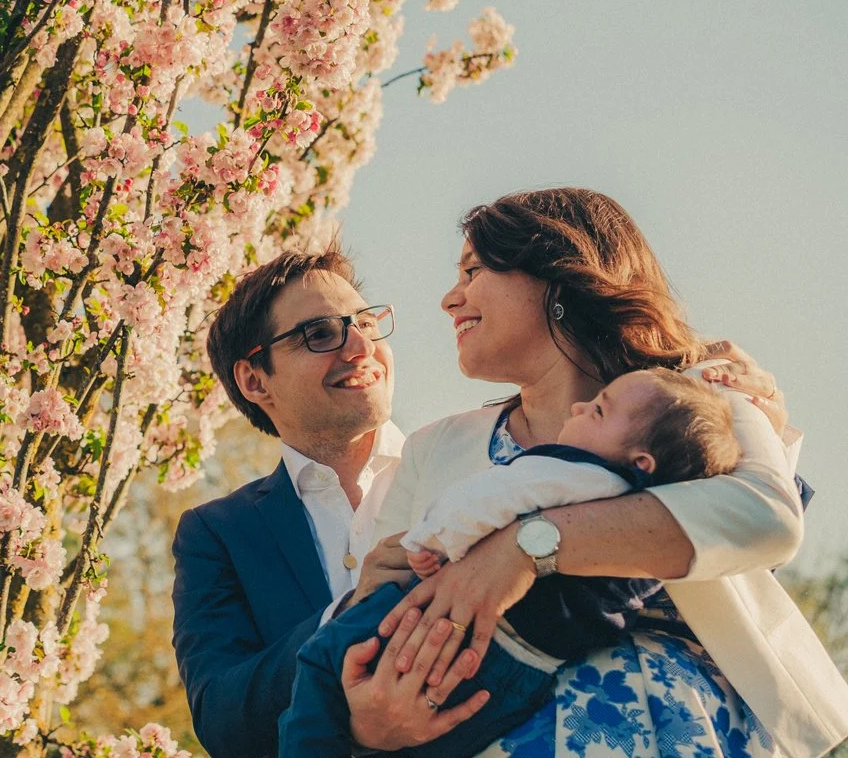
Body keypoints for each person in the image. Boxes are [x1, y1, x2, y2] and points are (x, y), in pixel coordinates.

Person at [341, 188, 848, 757]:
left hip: (681, 725)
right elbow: (373, 625)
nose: (448, 299)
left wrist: (521, 549)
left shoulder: (696, 395)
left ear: (556, 273)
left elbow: (768, 518)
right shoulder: (433, 449)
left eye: (473, 270)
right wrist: (369, 715)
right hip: (489, 732)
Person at [277, 368, 744, 758]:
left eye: (599, 410)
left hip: (453, 630)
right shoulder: (650, 511)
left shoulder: (569, 470)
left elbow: (490, 497)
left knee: (320, 663)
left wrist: (433, 540)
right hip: (529, 671)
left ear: (641, 460)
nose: (580, 409)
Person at [170, 245, 491, 758]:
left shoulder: (474, 462)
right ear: (254, 380)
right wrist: (346, 612)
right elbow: (223, 721)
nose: (361, 345)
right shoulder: (218, 534)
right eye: (320, 334)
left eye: (365, 321)